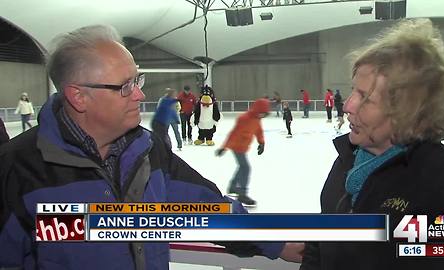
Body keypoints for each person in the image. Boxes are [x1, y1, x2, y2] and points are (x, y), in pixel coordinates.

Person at [0, 25, 303, 269]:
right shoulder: (17, 169)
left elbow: (208, 208)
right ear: (78, 96)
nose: (140, 96)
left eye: (138, 80)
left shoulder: (147, 150)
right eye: (125, 86)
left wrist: (275, 243)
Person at [301, 19, 444, 270]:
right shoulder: (346, 162)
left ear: (406, 110)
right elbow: (318, 247)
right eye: (353, 91)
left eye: (365, 98)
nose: (349, 105)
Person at [215, 98, 270, 207]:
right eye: (261, 113)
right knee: (246, 168)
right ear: (257, 110)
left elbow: (259, 131)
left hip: (244, 146)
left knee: (241, 166)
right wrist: (224, 147)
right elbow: (233, 134)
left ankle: (232, 186)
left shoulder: (257, 119)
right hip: (236, 146)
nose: (262, 116)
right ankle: (242, 194)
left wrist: (261, 142)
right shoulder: (244, 118)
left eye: (264, 114)